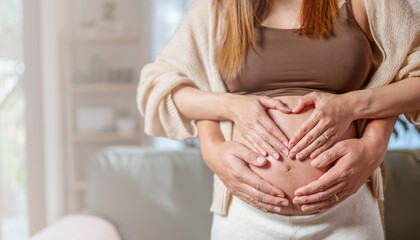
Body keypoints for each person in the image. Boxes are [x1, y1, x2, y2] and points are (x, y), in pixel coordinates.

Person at [137, 0, 420, 238]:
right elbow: (162, 87)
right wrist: (214, 146)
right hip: (245, 217)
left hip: (347, 215)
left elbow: (411, 74)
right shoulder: (223, 6)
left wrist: (371, 138)